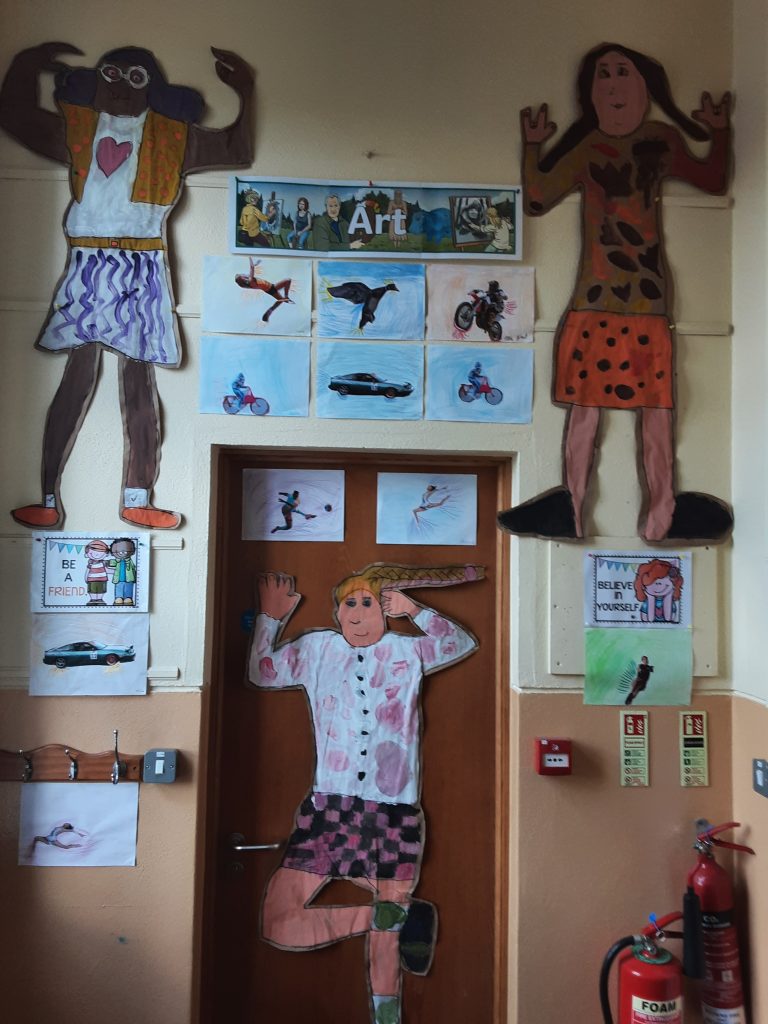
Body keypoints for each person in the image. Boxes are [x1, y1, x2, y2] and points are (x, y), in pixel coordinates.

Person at [0, 43, 253, 530]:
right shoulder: (77, 129)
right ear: (95, 82)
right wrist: (26, 64)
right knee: (76, 378)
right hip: (89, 260)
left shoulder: (172, 137)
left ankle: (138, 495)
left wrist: (246, 92)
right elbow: (14, 116)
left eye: (135, 78)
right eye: (111, 75)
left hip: (142, 263)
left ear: (152, 89)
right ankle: (49, 496)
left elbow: (237, 150)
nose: (119, 88)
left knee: (139, 382)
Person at [497, 44, 732, 543]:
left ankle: (663, 512)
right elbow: (537, 197)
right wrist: (532, 146)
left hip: (647, 303)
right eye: (603, 75)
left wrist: (720, 133)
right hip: (594, 297)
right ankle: (572, 508)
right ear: (591, 92)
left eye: (623, 72)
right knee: (585, 408)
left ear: (645, 89)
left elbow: (712, 179)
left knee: (657, 410)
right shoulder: (587, 150)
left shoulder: (661, 141)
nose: (613, 85)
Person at [248, 563, 482, 1024]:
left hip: (393, 811)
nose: (357, 613)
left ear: (384, 609)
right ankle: (391, 916)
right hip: (328, 809)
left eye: (368, 603)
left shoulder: (406, 651)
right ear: (336, 613)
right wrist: (270, 618)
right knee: (279, 921)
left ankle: (386, 1011)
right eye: (349, 604)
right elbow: (262, 672)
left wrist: (415, 610)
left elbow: (460, 643)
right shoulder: (317, 649)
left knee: (387, 950)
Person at [234, 257, 293, 322]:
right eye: (242, 275)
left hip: (269, 289)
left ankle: (269, 312)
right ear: (242, 279)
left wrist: (256, 263)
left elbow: (251, 270)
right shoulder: (250, 281)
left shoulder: (249, 281)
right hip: (271, 287)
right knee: (288, 280)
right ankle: (286, 297)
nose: (243, 274)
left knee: (281, 299)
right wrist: (249, 257)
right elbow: (252, 268)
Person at [634, 558, 683, 623]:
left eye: (664, 580)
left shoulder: (671, 604)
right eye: (651, 583)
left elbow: (672, 617)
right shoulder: (646, 604)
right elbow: (645, 618)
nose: (658, 585)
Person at [109, 537, 137, 606]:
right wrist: (107, 562)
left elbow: (133, 567)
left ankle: (128, 597)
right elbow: (113, 562)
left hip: (129, 579)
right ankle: (118, 597)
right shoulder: (117, 561)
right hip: (118, 579)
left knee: (128, 588)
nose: (121, 552)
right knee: (119, 588)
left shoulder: (129, 561)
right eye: (117, 551)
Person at [84, 538, 110, 605]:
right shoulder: (90, 563)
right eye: (92, 553)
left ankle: (100, 600)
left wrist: (116, 571)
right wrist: (86, 578)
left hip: (102, 579)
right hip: (92, 579)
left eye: (100, 553)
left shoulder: (103, 563)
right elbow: (87, 570)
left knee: (101, 590)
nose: (96, 555)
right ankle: (93, 600)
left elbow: (107, 570)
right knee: (92, 590)